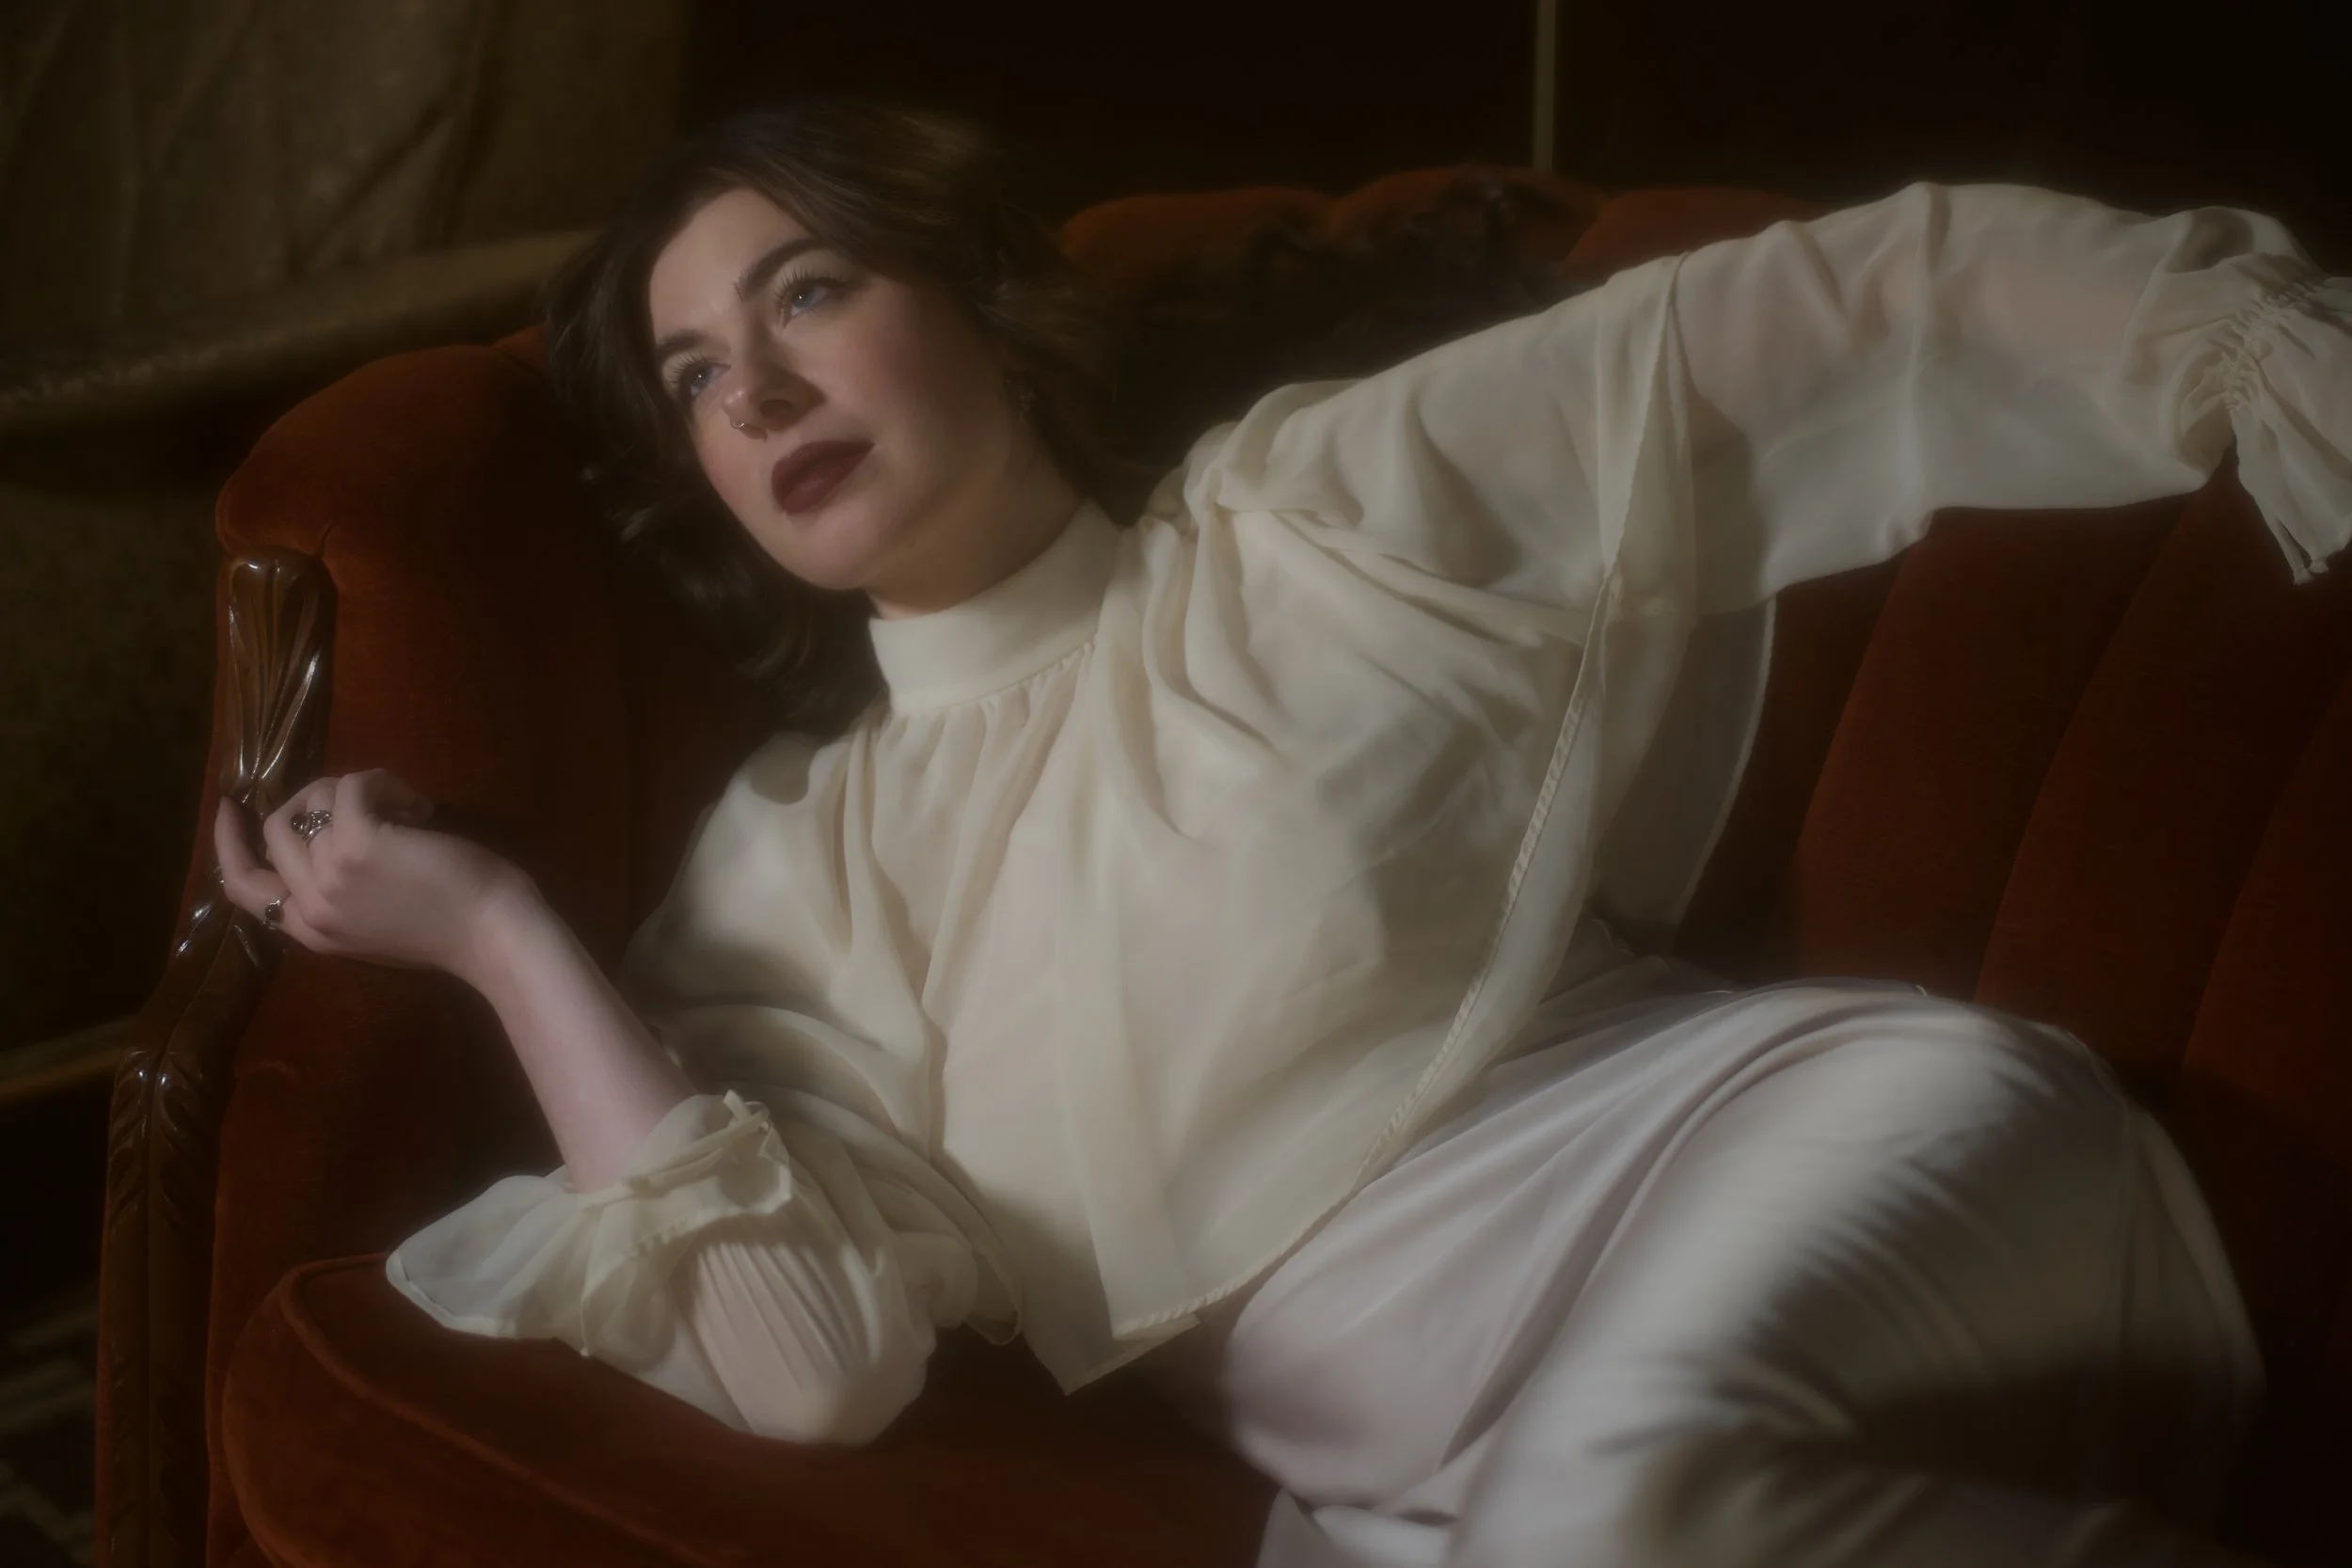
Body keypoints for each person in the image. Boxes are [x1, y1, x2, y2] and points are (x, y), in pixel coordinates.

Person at [211, 100, 2352, 1567]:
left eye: (804, 290)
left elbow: (1821, 323)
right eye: (689, 371)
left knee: (1612, 1511)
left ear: (968, 295)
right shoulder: (795, 875)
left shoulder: (1307, 517)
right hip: (1492, 1491)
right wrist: (499, 930)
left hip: (1820, 1156)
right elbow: (809, 1369)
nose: (753, 394)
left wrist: (2242, 340)